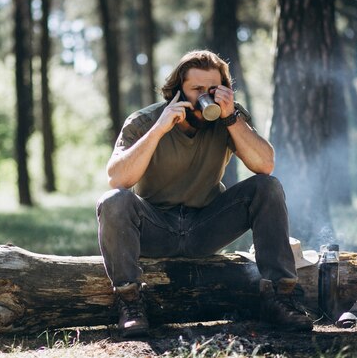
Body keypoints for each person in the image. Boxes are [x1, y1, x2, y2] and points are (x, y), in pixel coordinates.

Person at [96, 50, 313, 337]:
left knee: (266, 186)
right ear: (177, 92)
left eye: (212, 89)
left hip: (205, 228)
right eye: (196, 90)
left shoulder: (230, 116)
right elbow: (117, 179)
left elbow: (265, 164)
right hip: (155, 228)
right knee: (113, 201)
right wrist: (160, 129)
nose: (204, 97)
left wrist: (231, 118)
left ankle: (280, 297)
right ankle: (130, 302)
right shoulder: (145, 121)